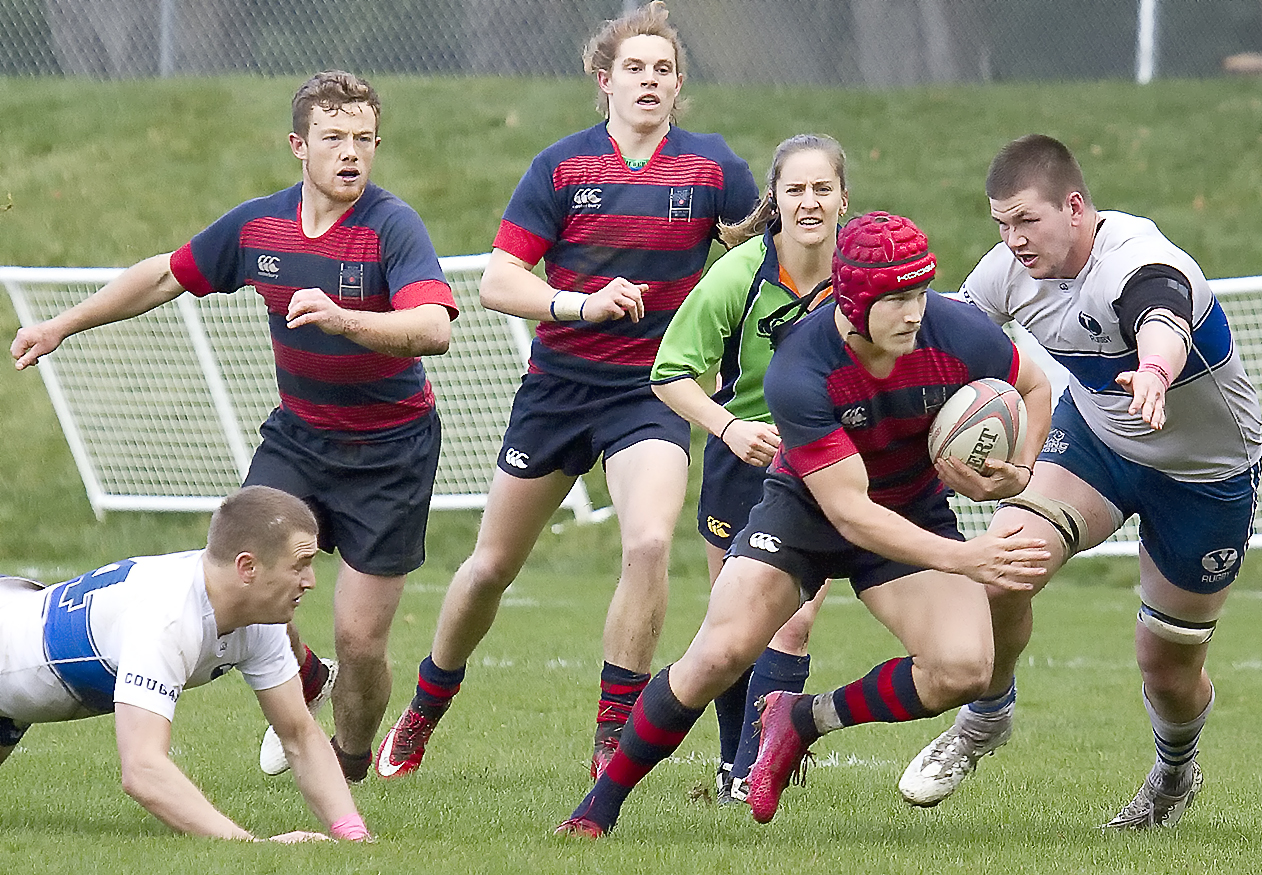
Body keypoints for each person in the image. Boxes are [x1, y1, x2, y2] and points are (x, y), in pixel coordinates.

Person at [10, 70, 459, 783]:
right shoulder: (260, 226)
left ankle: (344, 762)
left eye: (365, 140)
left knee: (361, 637)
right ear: (297, 145)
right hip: (299, 438)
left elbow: (433, 327)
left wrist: (343, 318)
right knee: (238, 578)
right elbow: (165, 274)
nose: (352, 153)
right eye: (334, 138)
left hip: (391, 451)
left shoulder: (391, 225)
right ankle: (307, 678)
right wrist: (62, 325)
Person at [554, 210, 1055, 837]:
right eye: (897, 298)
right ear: (856, 299)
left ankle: (801, 719)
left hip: (907, 510)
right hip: (805, 514)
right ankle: (600, 805)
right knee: (720, 653)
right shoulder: (801, 367)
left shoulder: (957, 330)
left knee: (964, 669)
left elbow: (1033, 387)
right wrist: (963, 558)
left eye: (920, 292)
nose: (915, 312)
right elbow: (847, 511)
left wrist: (1022, 465)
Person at [374, 0, 756, 781]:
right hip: (556, 390)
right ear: (603, 79)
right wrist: (578, 303)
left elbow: (757, 265)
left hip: (652, 392)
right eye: (634, 68)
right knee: (488, 567)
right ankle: (426, 704)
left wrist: (727, 342)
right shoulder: (561, 167)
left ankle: (611, 736)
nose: (648, 80)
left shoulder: (714, 168)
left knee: (648, 542)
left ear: (679, 83)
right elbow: (498, 280)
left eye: (663, 69)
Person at [900, 134, 1262, 830]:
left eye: (1025, 220)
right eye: (1000, 224)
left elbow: (1159, 316)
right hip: (1097, 439)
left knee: (1166, 667)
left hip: (1204, 474)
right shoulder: (1007, 271)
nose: (1012, 239)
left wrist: (1153, 373)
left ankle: (1172, 776)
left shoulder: (1140, 260)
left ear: (1073, 206)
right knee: (1002, 564)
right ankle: (985, 715)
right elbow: (945, 340)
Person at [0, 486, 372, 842]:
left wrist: (353, 835)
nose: (311, 581)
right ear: (247, 567)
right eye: (300, 565)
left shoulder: (257, 615)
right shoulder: (168, 618)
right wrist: (253, 846)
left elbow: (300, 735)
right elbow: (142, 770)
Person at [650, 133, 847, 804]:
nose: (809, 201)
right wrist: (728, 426)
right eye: (795, 189)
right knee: (730, 631)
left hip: (828, 463)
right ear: (775, 200)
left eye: (822, 188)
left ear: (842, 198)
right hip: (743, 459)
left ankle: (754, 773)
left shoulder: (863, 274)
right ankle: (735, 765)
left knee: (790, 620)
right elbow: (669, 373)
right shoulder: (738, 274)